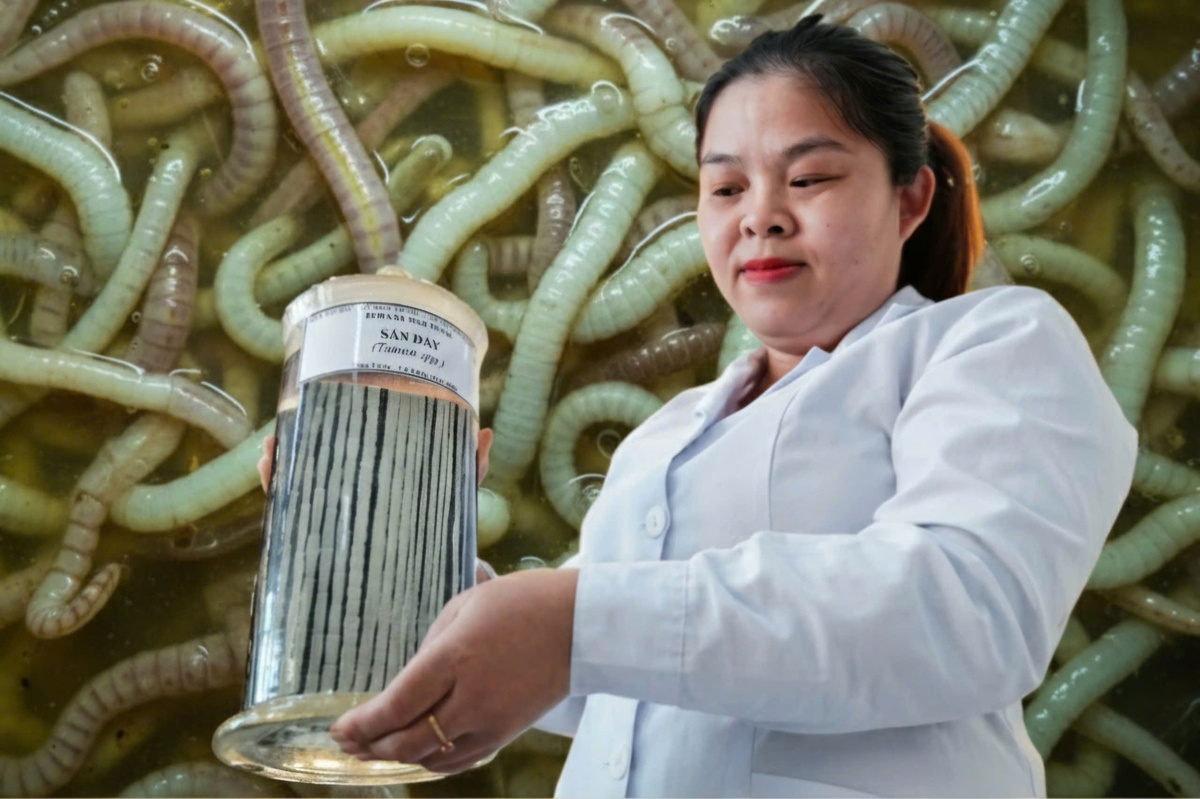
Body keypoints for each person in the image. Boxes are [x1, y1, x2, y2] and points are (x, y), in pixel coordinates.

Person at [262, 15, 1138, 797]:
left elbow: (966, 610)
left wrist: (571, 623)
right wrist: (387, 545)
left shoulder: (992, 340)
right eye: (725, 188)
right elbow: (612, 684)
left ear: (909, 200)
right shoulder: (663, 435)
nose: (761, 217)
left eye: (810, 178)